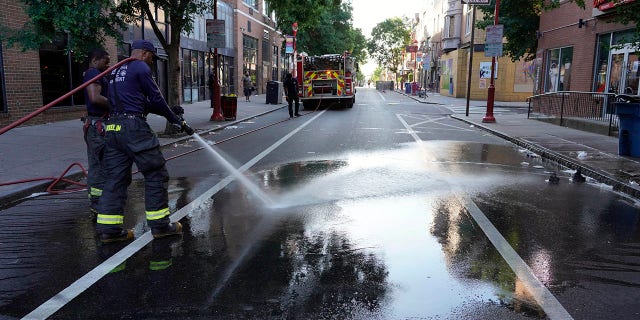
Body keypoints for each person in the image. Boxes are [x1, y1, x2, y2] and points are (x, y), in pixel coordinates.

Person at [96, 39, 194, 244]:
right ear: (145, 54)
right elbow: (156, 99)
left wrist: (169, 113)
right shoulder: (140, 67)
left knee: (115, 178)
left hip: (113, 129)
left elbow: (142, 103)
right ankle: (160, 226)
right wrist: (174, 119)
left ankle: (109, 230)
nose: (151, 63)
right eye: (151, 58)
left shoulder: (116, 70)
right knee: (155, 173)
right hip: (134, 129)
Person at [82, 48, 111, 214]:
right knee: (100, 164)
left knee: (97, 164)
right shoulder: (93, 73)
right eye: (105, 61)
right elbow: (95, 97)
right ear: (95, 60)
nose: (107, 64)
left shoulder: (95, 74)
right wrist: (116, 104)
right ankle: (99, 202)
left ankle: (97, 202)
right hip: (97, 126)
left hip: (94, 125)